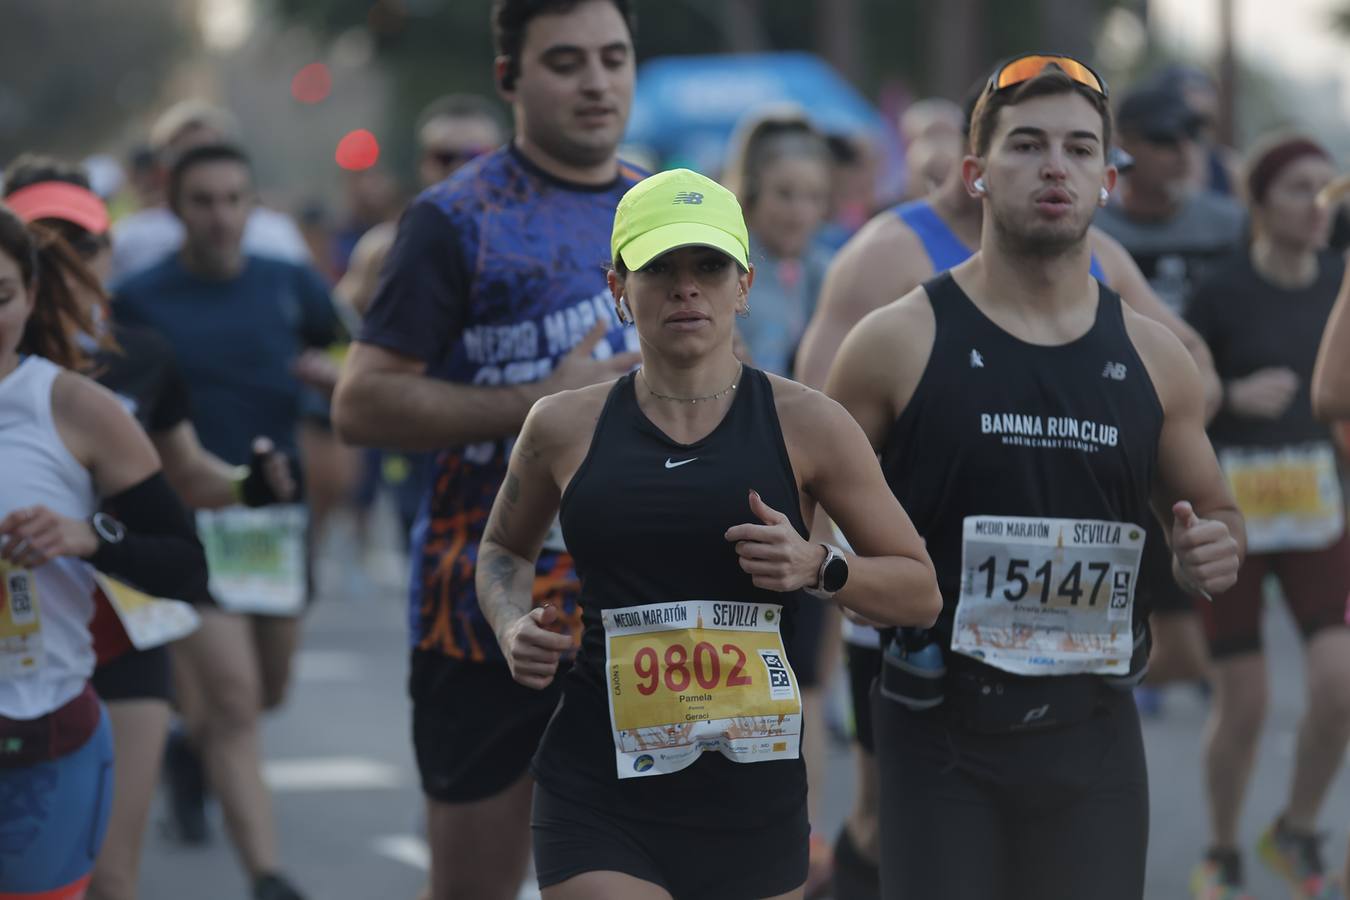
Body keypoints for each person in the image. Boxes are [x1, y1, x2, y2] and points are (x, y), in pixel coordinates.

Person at [793, 72, 1225, 898]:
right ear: (975, 171)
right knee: (877, 829)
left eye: (1078, 148)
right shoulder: (889, 295)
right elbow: (808, 473)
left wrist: (1204, 542)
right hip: (934, 701)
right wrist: (833, 575)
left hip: (1090, 716)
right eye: (1026, 145)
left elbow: (1205, 472)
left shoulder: (1135, 320)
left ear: (1108, 179)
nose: (1054, 166)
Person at [477, 166, 941, 900]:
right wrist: (509, 624)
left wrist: (821, 566)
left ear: (745, 284)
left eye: (709, 266)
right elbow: (504, 549)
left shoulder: (810, 423)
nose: (685, 287)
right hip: (598, 786)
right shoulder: (563, 426)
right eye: (659, 267)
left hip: (752, 800)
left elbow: (920, 592)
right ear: (617, 289)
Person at [331, 1, 644, 896]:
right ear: (511, 79)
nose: (595, 81)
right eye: (566, 61)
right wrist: (539, 402)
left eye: (614, 57)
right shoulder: (454, 219)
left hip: (643, 609)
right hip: (483, 614)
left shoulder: (663, 207)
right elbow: (363, 403)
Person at [4, 157, 297, 900]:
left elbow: (183, 478)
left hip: (121, 618)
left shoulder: (134, 358)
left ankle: (264, 871)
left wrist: (245, 485)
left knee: (108, 874)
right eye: (49, 240)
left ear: (108, 253)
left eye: (86, 242)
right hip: (23, 636)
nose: (71, 259)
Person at [113, 142, 341, 900]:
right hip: (189, 515)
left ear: (252, 205)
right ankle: (269, 877)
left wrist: (327, 384)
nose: (220, 216)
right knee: (238, 701)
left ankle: (188, 747)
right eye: (203, 200)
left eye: (233, 199)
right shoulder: (141, 298)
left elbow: (347, 347)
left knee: (266, 691)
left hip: (275, 518)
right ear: (176, 209)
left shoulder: (287, 284)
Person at [0, 204, 209, 899]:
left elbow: (185, 564)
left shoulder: (74, 409)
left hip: (39, 733)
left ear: (30, 296)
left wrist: (89, 537)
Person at [1184, 136, 1350, 900]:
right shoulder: (1220, 291)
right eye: (1299, 190)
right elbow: (1180, 394)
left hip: (1320, 506)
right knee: (1244, 699)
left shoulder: (1341, 284)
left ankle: (1298, 826)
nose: (1319, 206)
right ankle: (1221, 847)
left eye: (1329, 190)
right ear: (1257, 203)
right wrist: (1229, 391)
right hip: (1237, 511)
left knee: (1340, 681)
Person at [335, 93, 509, 546]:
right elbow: (343, 329)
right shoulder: (387, 247)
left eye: (475, 155)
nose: (458, 167)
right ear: (424, 163)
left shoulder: (531, 246)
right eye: (443, 155)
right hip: (427, 448)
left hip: (518, 449)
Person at [110, 101, 311, 282]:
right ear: (162, 169)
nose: (219, 218)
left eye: (210, 153)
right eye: (187, 156)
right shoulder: (130, 240)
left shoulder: (276, 234)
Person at [1094, 81, 1245, 316]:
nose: (1184, 152)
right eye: (1164, 138)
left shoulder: (1229, 224)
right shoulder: (1093, 230)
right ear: (1121, 145)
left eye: (1193, 136)